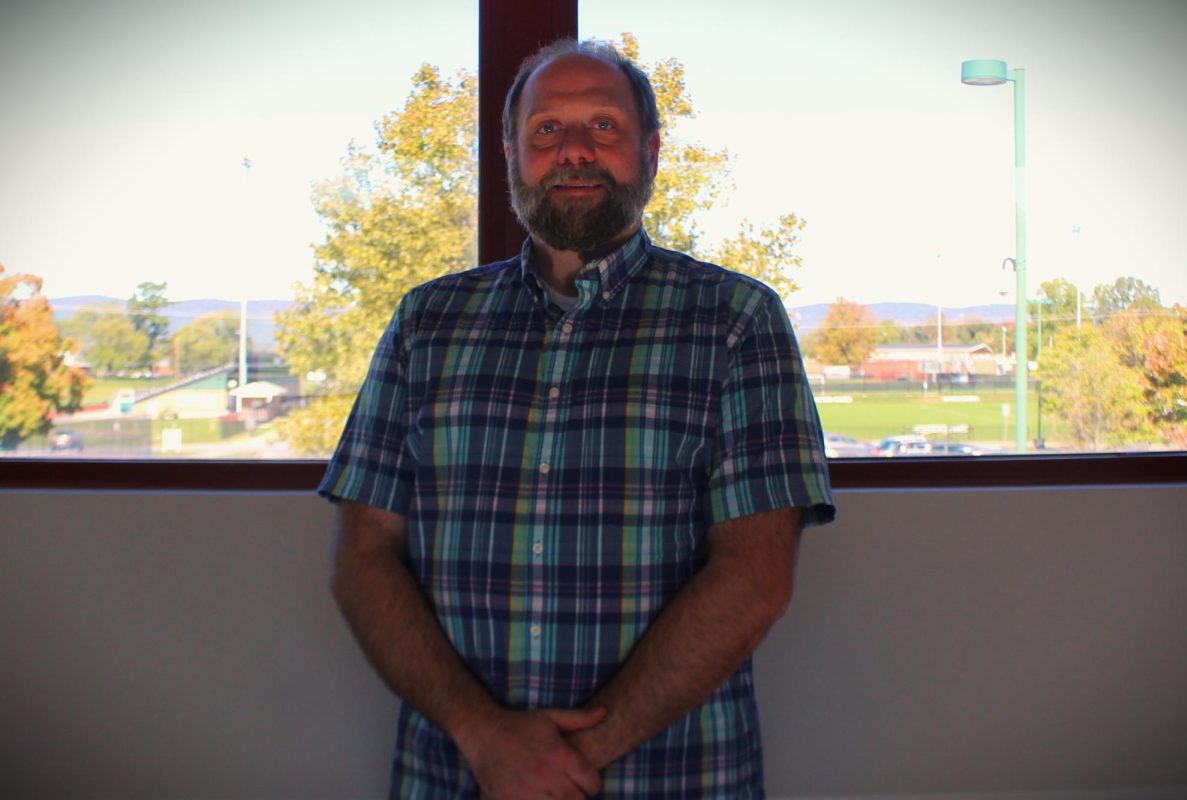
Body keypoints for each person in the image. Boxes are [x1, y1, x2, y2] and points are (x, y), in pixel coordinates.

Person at [320, 37, 836, 799]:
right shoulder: (426, 323)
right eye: (546, 131)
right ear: (510, 157)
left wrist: (564, 762)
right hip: (455, 776)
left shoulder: (737, 321)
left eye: (603, 126)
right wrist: (484, 736)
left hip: (673, 779)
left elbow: (756, 577)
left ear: (650, 153)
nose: (574, 151)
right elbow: (362, 559)